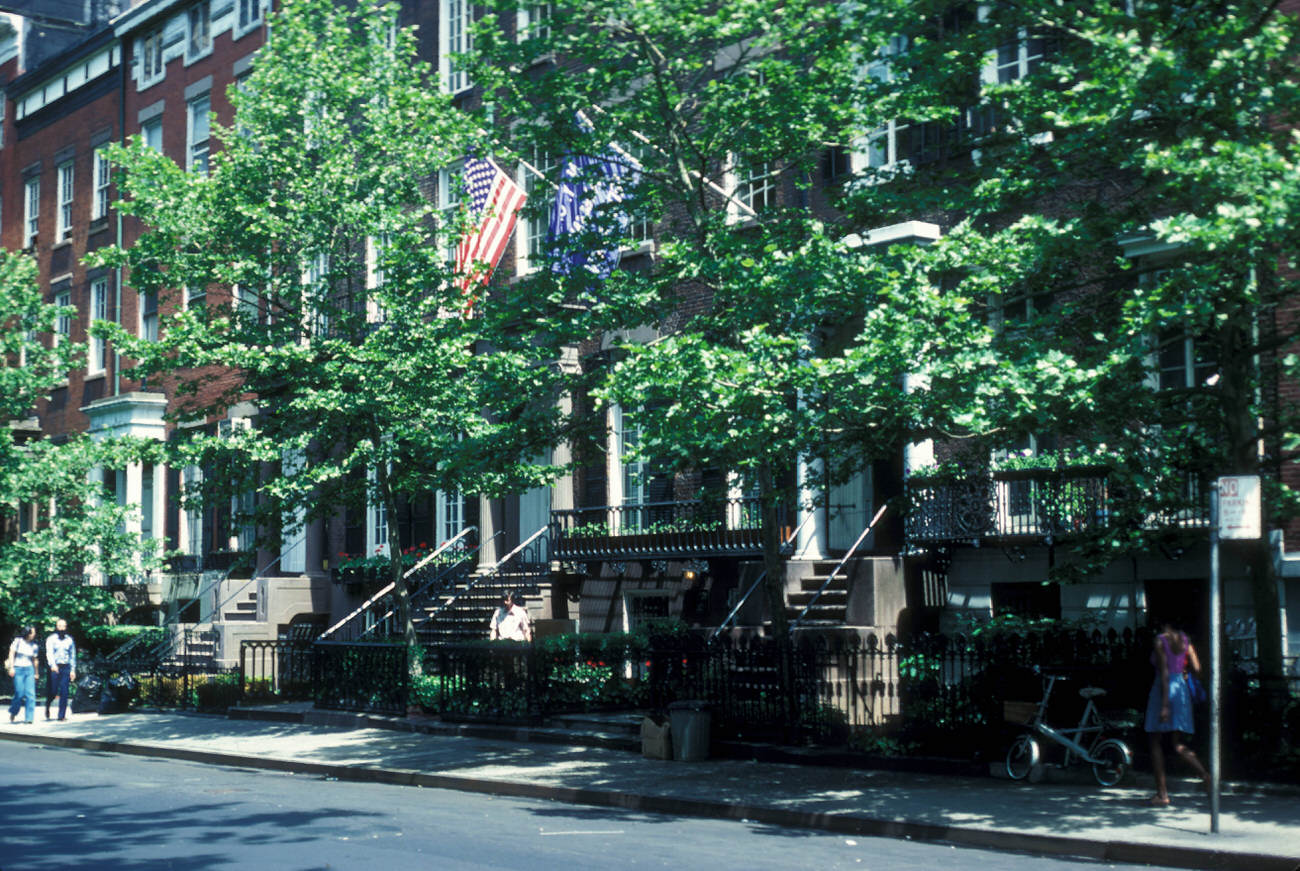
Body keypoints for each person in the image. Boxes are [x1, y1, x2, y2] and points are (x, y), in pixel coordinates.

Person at [1144, 622, 1210, 806]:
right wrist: (1183, 671)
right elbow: (1198, 669)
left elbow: (1164, 672)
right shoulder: (1186, 642)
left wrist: (1164, 705)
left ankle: (1162, 794)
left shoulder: (1160, 641)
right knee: (1177, 743)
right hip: (1180, 689)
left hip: (1163, 690)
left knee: (1155, 741)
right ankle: (1205, 775)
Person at [44, 618, 77, 721]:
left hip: (66, 667)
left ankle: (61, 715)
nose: (62, 628)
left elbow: (72, 655)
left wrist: (73, 670)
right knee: (53, 691)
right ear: (56, 627)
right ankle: (48, 705)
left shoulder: (69, 640)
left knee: (65, 691)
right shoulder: (51, 639)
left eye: (64, 626)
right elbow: (49, 653)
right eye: (60, 626)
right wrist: (53, 665)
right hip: (54, 667)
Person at [7, 626, 40, 725]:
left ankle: (29, 718)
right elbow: (11, 654)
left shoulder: (34, 646)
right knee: (19, 693)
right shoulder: (18, 641)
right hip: (18, 668)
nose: (34, 634)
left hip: (29, 669)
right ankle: (13, 711)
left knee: (31, 694)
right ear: (27, 633)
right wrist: (11, 667)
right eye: (32, 632)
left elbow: (35, 660)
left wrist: (36, 673)